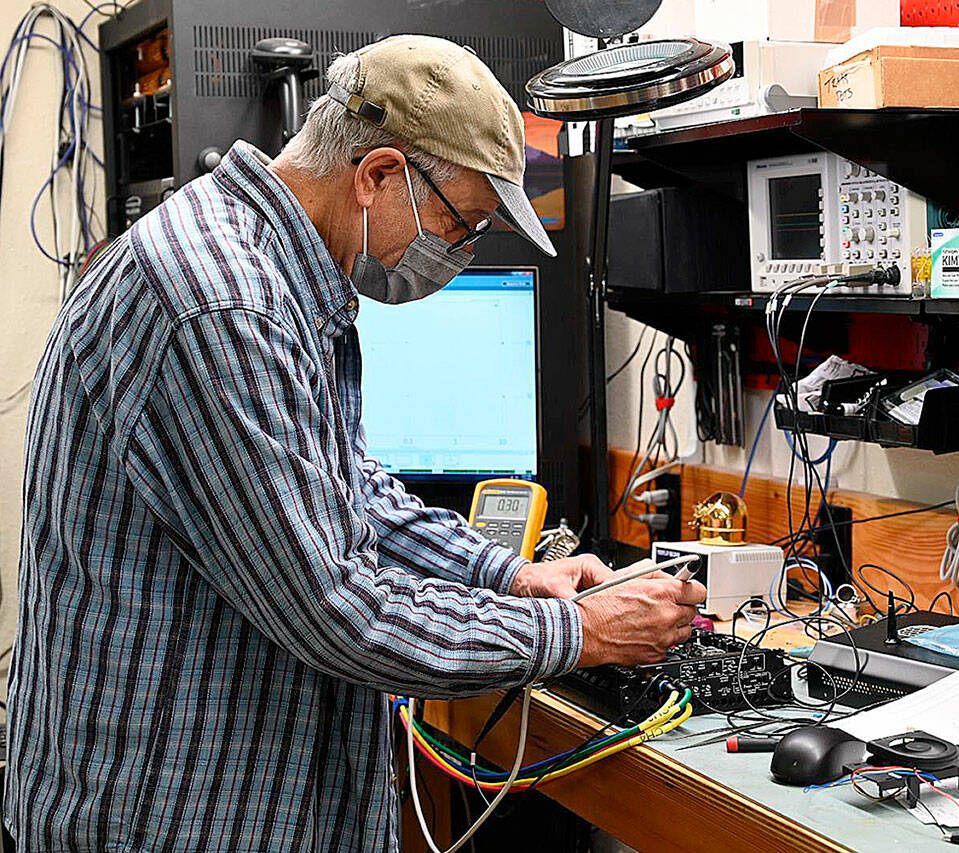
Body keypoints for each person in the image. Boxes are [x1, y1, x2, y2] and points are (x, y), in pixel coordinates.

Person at [6, 35, 705, 851]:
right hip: (167, 818)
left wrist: (511, 573)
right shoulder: (226, 301)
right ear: (378, 175)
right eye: (461, 223)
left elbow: (350, 490)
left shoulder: (276, 274)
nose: (462, 254)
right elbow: (340, 610)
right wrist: (583, 632)